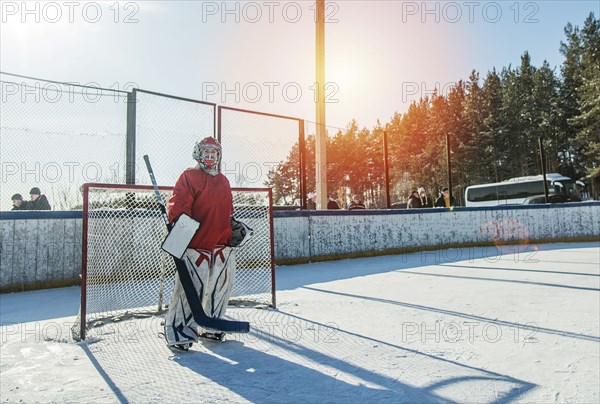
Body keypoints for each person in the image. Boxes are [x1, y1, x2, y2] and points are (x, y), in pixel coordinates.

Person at [163, 137, 238, 349]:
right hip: (197, 245)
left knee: (222, 286)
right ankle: (179, 330)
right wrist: (180, 238)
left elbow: (228, 210)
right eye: (206, 152)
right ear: (198, 153)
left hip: (221, 244)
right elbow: (179, 207)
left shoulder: (223, 180)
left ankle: (212, 325)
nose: (210, 156)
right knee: (191, 289)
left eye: (214, 153)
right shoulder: (189, 176)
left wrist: (234, 227)